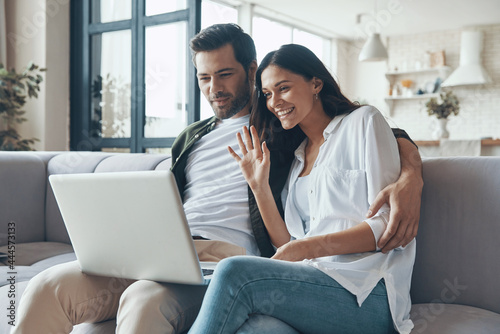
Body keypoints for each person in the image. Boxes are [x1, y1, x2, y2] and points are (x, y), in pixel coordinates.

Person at [12, 24, 420, 334]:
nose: (214, 89)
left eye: (224, 75)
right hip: (163, 248)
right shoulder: (191, 137)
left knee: (143, 300)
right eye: (204, 78)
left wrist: (411, 175)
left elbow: (365, 128)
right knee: (49, 285)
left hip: (220, 259)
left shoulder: (281, 128)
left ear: (250, 70)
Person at [188, 44, 417, 334]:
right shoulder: (298, 158)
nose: (274, 102)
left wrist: (308, 247)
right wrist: (259, 187)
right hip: (311, 287)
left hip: (369, 293)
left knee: (233, 271)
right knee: (257, 329)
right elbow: (288, 242)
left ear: (316, 84)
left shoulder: (363, 123)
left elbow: (389, 226)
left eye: (283, 88)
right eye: (268, 94)